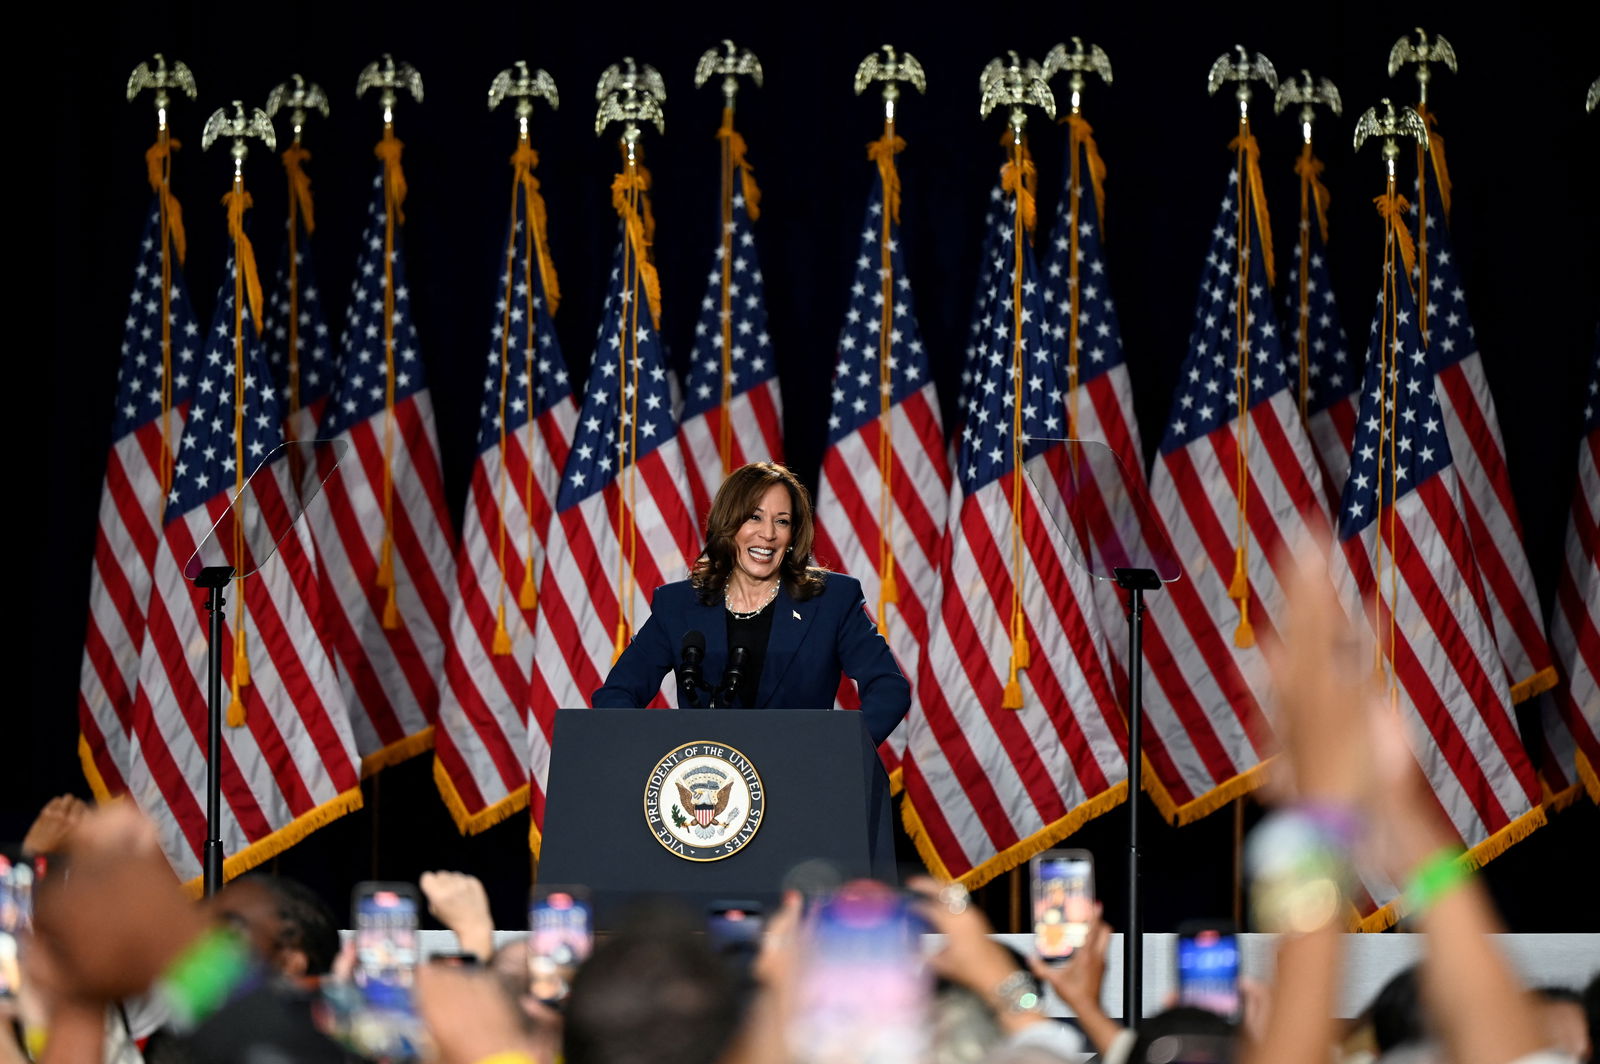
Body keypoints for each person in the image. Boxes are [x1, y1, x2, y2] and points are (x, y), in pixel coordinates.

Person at [593, 462, 910, 746]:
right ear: (729, 525)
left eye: (782, 521)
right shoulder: (679, 605)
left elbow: (888, 688)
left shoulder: (831, 600)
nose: (768, 534)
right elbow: (617, 695)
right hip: (707, 787)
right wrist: (661, 754)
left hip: (802, 786)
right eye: (754, 517)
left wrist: (836, 753)